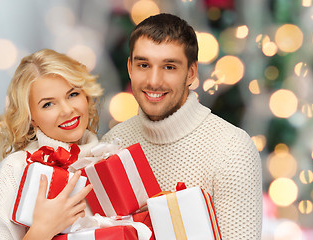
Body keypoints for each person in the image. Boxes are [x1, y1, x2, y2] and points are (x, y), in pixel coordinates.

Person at [102, 13, 262, 239]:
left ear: (191, 73)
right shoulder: (112, 144)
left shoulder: (232, 149)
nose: (154, 81)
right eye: (143, 65)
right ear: (130, 68)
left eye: (169, 67)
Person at [0, 49, 103, 240]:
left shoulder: (107, 159)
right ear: (32, 119)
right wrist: (42, 230)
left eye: (73, 94)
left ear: (86, 96)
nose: (67, 110)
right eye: (48, 104)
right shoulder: (16, 168)